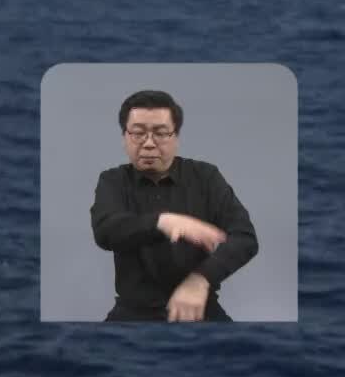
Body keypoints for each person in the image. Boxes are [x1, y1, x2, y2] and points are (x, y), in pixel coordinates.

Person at [89, 89, 259, 322]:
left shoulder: (205, 177)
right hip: (133, 312)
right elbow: (105, 230)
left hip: (201, 309)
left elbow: (245, 238)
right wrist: (163, 222)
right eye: (138, 133)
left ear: (176, 137)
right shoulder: (113, 180)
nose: (148, 144)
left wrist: (201, 279)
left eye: (160, 133)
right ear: (124, 137)